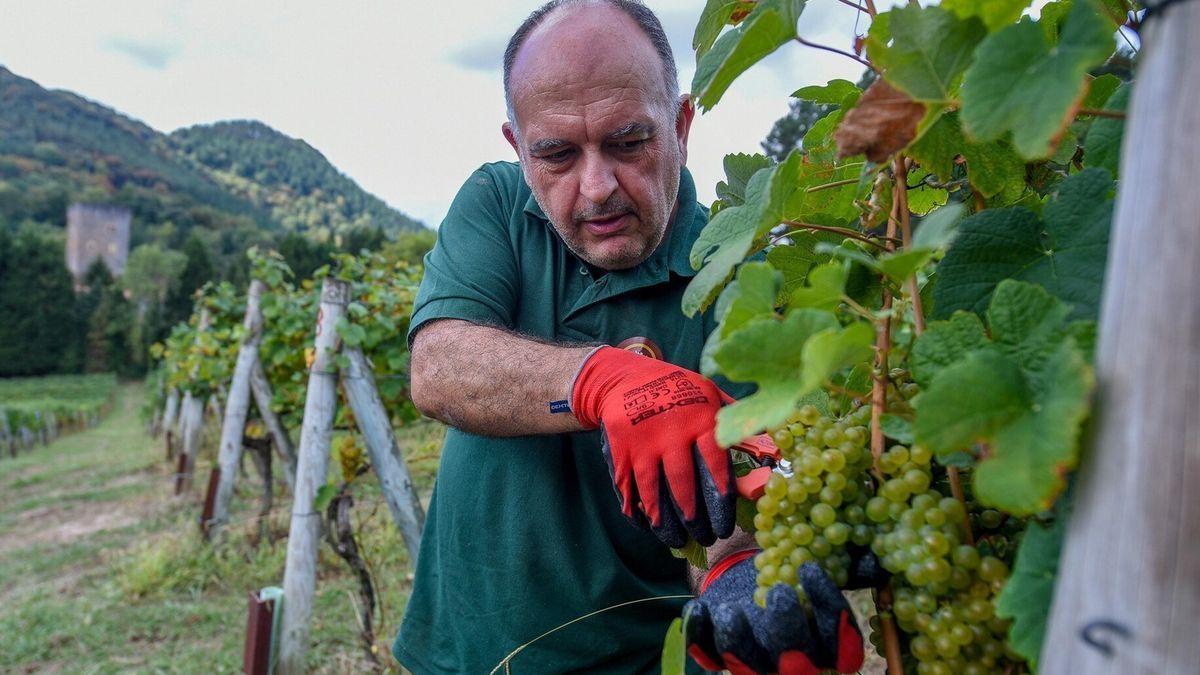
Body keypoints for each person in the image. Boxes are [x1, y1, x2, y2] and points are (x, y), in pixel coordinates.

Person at [392, 1, 868, 673]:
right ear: (518, 148)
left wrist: (740, 566)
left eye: (628, 142)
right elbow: (438, 368)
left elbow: (746, 481)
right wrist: (598, 380)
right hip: (461, 657)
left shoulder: (741, 276)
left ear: (679, 125)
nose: (596, 186)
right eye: (556, 153)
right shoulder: (497, 207)